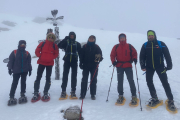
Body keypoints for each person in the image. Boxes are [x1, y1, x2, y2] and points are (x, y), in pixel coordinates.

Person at [140, 30, 177, 111]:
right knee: (149, 82)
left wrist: (169, 66)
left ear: (154, 35)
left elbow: (167, 55)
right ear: (147, 36)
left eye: (152, 35)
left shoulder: (161, 44)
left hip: (160, 67)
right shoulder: (145, 45)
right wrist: (142, 65)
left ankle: (170, 100)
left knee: (165, 83)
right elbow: (142, 56)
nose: (150, 36)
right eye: (149, 35)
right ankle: (155, 98)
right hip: (149, 67)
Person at [110, 33, 138, 105]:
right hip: (119, 66)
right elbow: (112, 55)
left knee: (131, 81)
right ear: (119, 39)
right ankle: (120, 95)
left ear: (125, 38)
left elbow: (134, 53)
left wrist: (134, 59)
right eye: (121, 38)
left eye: (123, 38)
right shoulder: (116, 46)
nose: (122, 39)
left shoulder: (129, 46)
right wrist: (113, 61)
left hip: (128, 65)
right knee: (120, 81)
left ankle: (134, 96)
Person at [32, 33, 59, 101]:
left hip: (49, 64)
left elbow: (56, 54)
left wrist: (51, 57)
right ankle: (36, 92)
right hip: (41, 63)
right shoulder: (42, 43)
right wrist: (40, 56)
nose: (51, 38)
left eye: (52, 37)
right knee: (38, 77)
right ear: (47, 37)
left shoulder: (54, 45)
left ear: (53, 39)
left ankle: (46, 92)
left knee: (48, 78)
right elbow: (37, 51)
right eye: (49, 37)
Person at [7, 40, 32, 105]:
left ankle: (22, 94)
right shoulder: (14, 52)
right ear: (19, 45)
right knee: (14, 83)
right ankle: (12, 96)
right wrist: (10, 68)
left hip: (24, 71)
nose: (22, 46)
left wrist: (30, 69)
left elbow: (29, 62)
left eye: (24, 45)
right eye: (21, 44)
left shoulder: (27, 53)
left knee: (23, 83)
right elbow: (11, 61)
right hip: (16, 71)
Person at [58, 32, 81, 99]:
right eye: (70, 36)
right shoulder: (66, 42)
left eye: (72, 36)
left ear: (74, 36)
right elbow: (59, 45)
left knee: (74, 76)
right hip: (67, 61)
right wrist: (64, 39)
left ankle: (73, 91)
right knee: (65, 76)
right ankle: (63, 91)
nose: (71, 37)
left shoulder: (77, 44)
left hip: (74, 61)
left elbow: (81, 53)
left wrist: (81, 62)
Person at [79, 35, 103, 100]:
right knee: (84, 80)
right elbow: (81, 56)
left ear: (94, 40)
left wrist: (99, 59)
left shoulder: (97, 47)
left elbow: (100, 56)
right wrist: (80, 63)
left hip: (94, 66)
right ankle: (82, 94)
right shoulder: (85, 46)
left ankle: (93, 94)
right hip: (85, 66)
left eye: (92, 39)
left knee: (93, 80)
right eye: (90, 38)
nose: (91, 40)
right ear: (88, 39)